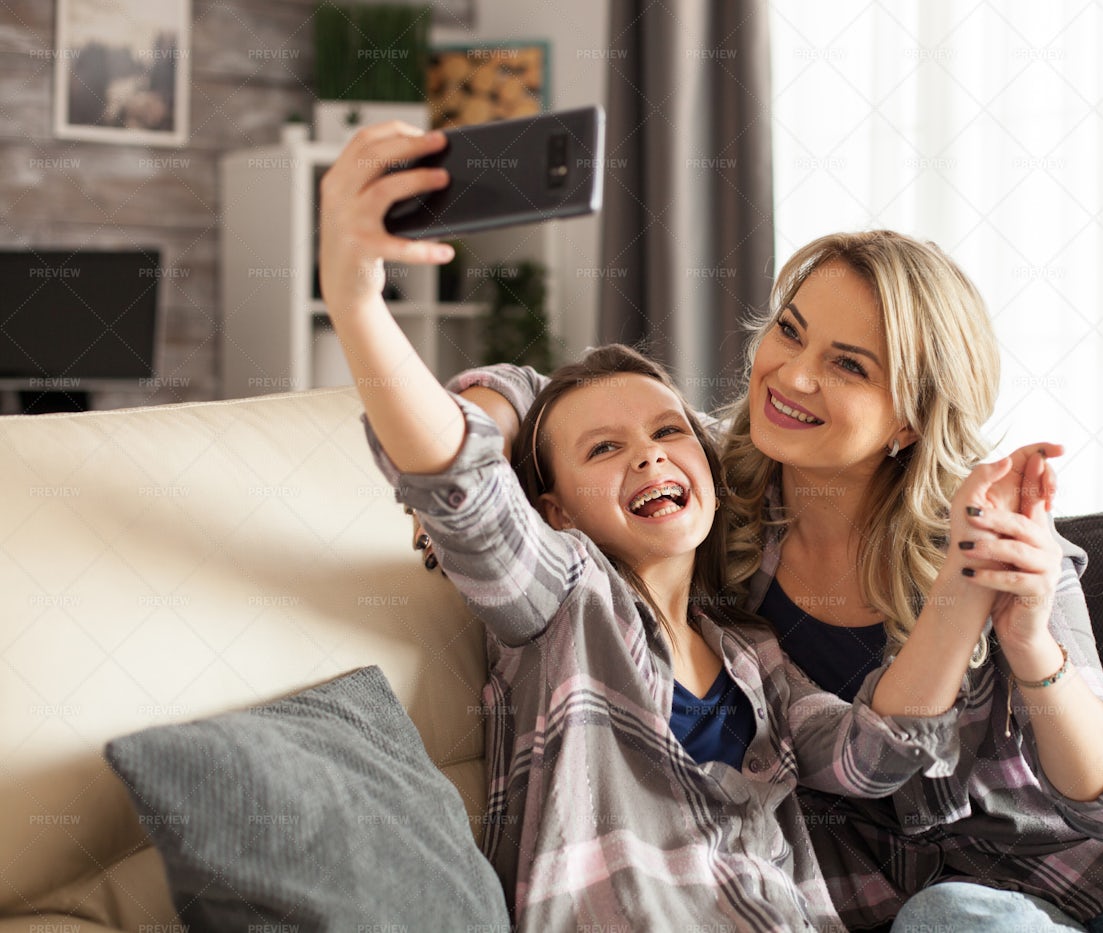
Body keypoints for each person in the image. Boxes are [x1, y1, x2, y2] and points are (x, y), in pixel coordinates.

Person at [431, 231, 1103, 932]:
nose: (790, 376)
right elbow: (565, 396)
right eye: (789, 332)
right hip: (937, 904)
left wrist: (1030, 638)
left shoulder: (982, 533)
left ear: (909, 418)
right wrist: (500, 431)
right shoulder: (707, 507)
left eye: (847, 364)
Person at [318, 122, 1064, 932]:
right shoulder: (567, 606)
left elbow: (871, 756)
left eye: (671, 432)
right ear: (557, 511)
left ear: (710, 458)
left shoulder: (756, 659)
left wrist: (962, 579)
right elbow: (462, 482)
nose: (648, 457)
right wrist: (356, 296)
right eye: (604, 448)